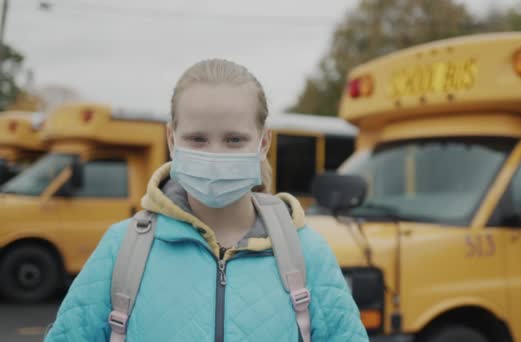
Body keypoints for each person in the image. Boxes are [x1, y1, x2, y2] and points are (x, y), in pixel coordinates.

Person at [45, 59, 368, 341]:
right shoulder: (122, 247)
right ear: (172, 139)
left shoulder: (306, 251)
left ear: (263, 142)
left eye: (234, 139)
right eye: (197, 139)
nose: (215, 155)